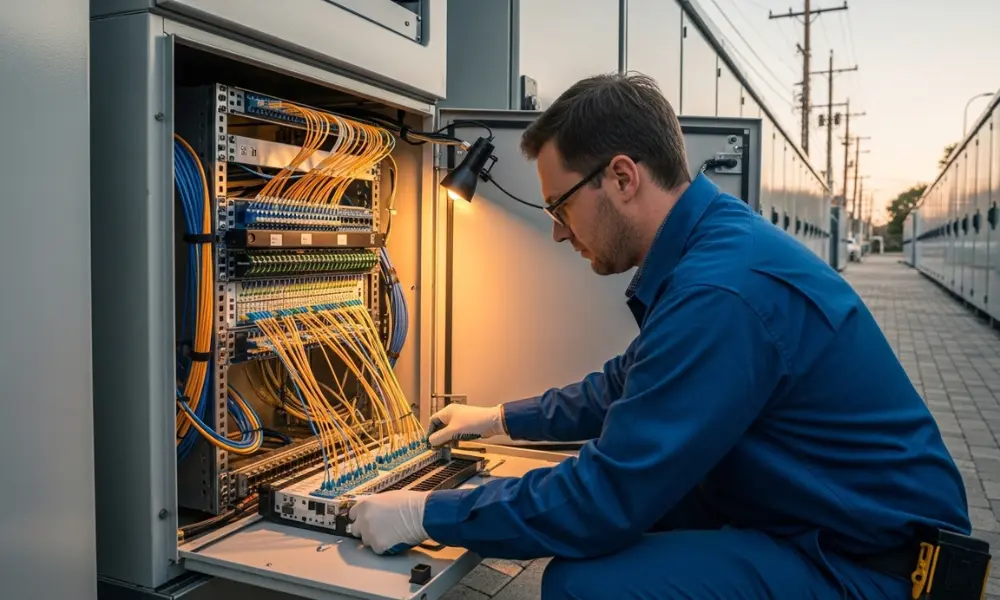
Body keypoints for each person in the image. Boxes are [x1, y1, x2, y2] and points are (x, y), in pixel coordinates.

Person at [348, 72, 972, 599]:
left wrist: (425, 513)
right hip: (830, 525)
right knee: (647, 512)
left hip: (872, 571)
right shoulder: (717, 245)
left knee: (586, 583)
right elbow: (628, 384)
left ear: (621, 177)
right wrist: (500, 418)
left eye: (559, 206)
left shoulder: (721, 291)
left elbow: (604, 499)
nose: (559, 233)